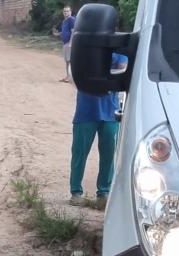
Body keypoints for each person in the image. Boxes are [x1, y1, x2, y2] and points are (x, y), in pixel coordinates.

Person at [69, 54, 129, 205]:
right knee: (79, 153)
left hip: (110, 112)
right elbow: (78, 70)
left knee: (109, 155)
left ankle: (104, 192)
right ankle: (75, 192)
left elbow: (122, 68)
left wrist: (96, 70)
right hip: (86, 112)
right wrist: (109, 70)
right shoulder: (87, 47)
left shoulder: (118, 50)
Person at [52, 6, 76, 83]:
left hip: (69, 43)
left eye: (67, 11)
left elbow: (73, 31)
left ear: (70, 12)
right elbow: (64, 31)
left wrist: (71, 43)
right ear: (63, 13)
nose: (66, 12)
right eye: (64, 11)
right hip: (65, 43)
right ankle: (67, 76)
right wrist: (58, 34)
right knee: (67, 61)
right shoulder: (64, 21)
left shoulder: (71, 20)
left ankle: (69, 78)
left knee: (69, 60)